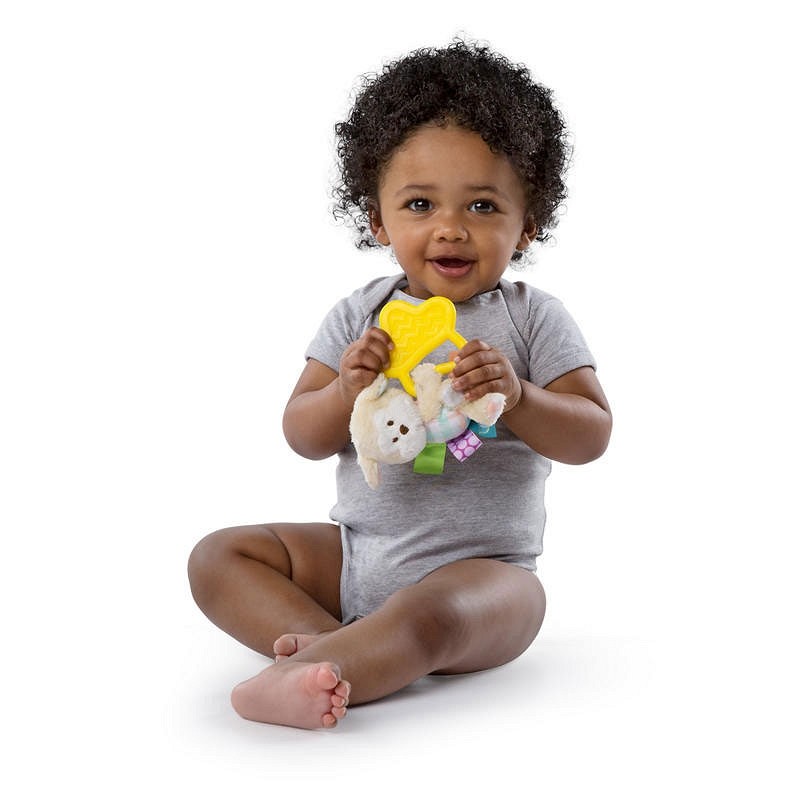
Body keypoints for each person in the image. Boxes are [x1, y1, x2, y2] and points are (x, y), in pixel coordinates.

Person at [188, 40, 612, 729]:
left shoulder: (533, 318)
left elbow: (591, 434)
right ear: (378, 218)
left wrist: (520, 397)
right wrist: (343, 391)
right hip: (358, 555)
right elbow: (301, 433)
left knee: (432, 615)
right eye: (420, 203)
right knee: (218, 557)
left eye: (482, 206)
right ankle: (325, 651)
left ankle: (325, 668)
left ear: (527, 224)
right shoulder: (360, 316)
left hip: (487, 577)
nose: (451, 229)